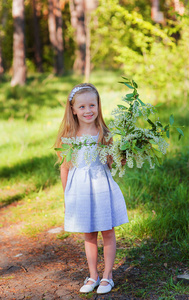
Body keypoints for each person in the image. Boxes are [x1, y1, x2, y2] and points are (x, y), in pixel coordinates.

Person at [54, 83, 128, 294]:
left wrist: (124, 155)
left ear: (98, 106)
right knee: (89, 234)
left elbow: (111, 163)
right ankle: (93, 274)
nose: (88, 111)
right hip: (81, 190)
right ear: (73, 109)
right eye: (83, 107)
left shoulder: (103, 132)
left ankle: (107, 276)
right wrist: (67, 197)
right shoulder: (69, 136)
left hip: (102, 187)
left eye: (92, 105)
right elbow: (65, 168)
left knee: (107, 231)